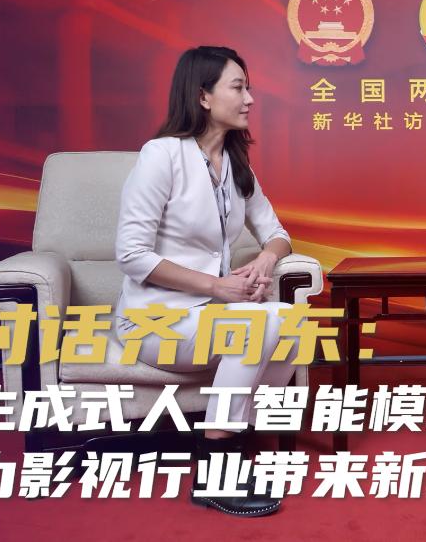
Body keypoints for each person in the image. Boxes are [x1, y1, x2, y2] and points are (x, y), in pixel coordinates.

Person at [114, 46, 294, 517]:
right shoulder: (161, 156)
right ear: (203, 96)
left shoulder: (236, 164)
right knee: (256, 325)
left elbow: (277, 234)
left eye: (248, 87)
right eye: (238, 87)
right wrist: (217, 287)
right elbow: (130, 254)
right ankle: (217, 466)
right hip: (154, 322)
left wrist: (265, 261)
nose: (249, 99)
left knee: (289, 323)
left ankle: (235, 445)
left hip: (208, 319)